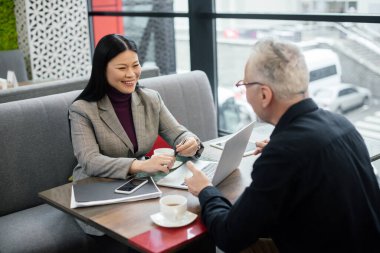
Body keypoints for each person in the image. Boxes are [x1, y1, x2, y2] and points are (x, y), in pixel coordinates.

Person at [185, 38, 380, 253]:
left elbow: (229, 235)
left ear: (264, 94)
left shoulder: (285, 152)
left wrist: (206, 190)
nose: (244, 91)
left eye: (244, 84)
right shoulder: (343, 125)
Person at [68, 34, 202, 238]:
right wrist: (139, 165)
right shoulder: (82, 110)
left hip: (137, 184)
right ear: (102, 69)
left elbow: (179, 132)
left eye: (135, 65)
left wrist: (190, 142)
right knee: (126, 230)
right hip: (95, 185)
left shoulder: (150, 99)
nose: (131, 74)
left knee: (185, 219)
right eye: (122, 68)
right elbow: (89, 161)